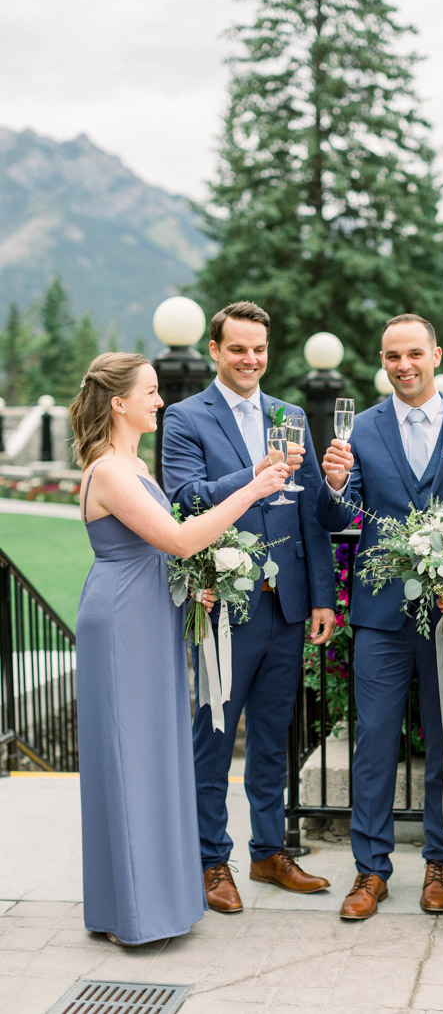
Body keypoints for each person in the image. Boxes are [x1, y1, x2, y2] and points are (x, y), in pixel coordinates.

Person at [70, 352, 289, 946]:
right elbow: (179, 537)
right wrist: (256, 483)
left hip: (149, 613)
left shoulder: (130, 462)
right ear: (119, 403)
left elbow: (162, 552)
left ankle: (140, 901)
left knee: (152, 755)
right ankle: (134, 914)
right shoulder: (111, 470)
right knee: (129, 757)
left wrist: (194, 586)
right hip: (121, 622)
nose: (159, 401)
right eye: (150, 392)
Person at [162, 300, 335, 914]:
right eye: (238, 348)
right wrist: (253, 475)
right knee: (212, 739)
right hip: (222, 608)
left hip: (286, 607)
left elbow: (313, 511)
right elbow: (183, 499)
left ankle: (268, 854)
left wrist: (322, 598)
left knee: (270, 737)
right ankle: (211, 860)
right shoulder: (185, 417)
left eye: (259, 349)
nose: (250, 359)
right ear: (215, 351)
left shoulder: (288, 414)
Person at [316, 313, 443, 919]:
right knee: (375, 742)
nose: (404, 365)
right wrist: (334, 487)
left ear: (436, 354)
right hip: (381, 617)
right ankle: (370, 871)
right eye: (392, 357)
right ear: (381, 362)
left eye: (414, 353)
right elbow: (340, 521)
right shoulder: (358, 429)